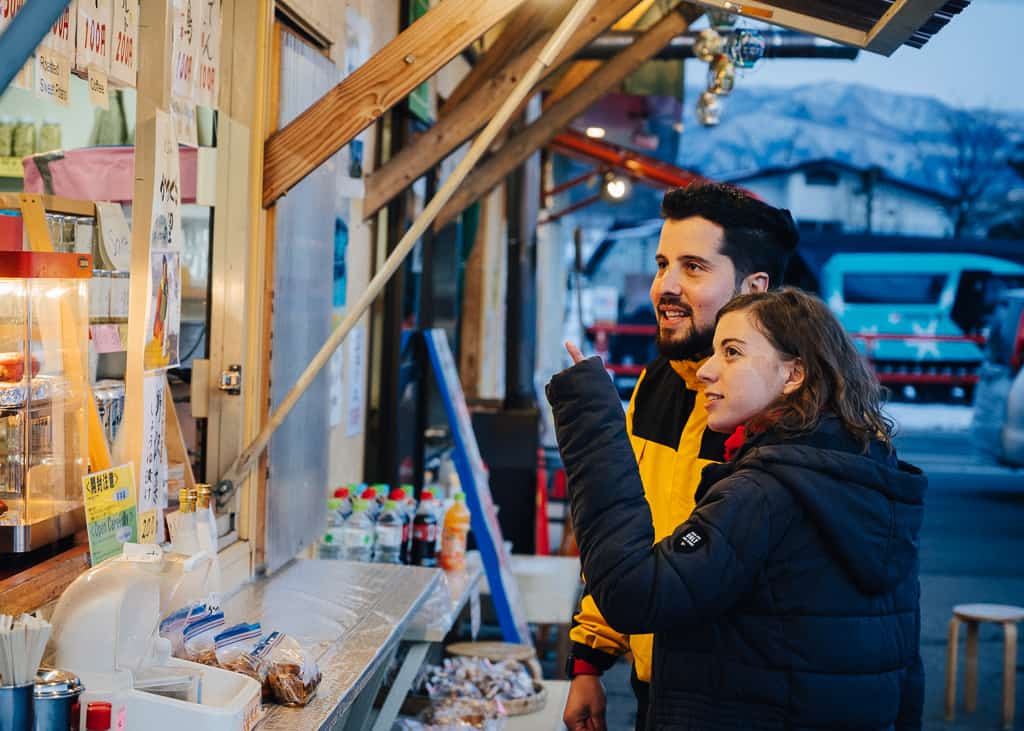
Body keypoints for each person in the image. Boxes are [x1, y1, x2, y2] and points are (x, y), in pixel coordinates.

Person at [549, 288, 925, 731]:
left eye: (731, 353)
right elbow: (907, 671)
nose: (706, 370)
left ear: (794, 374)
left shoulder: (764, 493)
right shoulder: (870, 479)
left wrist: (592, 423)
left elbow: (634, 593)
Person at [563, 184, 799, 731]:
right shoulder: (655, 386)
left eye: (693, 267)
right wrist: (589, 660)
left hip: (743, 707)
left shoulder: (787, 417)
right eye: (662, 264)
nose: (665, 287)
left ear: (754, 289)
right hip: (658, 693)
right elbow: (626, 531)